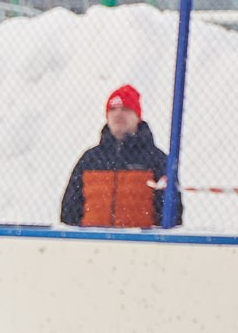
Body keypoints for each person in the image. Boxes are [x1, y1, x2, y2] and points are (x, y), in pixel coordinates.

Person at [59, 84, 176, 228]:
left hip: (141, 246)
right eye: (113, 109)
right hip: (92, 245)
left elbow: (172, 214)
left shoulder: (156, 160)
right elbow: (69, 211)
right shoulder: (90, 159)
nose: (118, 114)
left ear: (138, 116)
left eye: (125, 109)